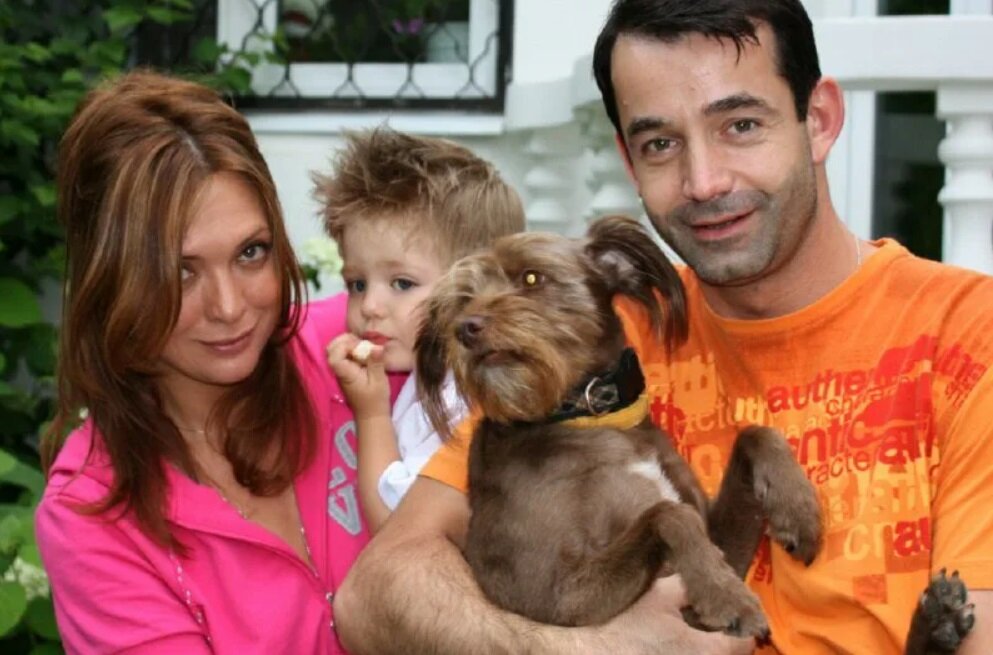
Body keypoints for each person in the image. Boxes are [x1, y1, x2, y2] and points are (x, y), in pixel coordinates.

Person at [332, 1, 993, 654]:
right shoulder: (590, 335)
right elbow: (373, 598)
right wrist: (596, 650)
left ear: (817, 120)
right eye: (660, 144)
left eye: (740, 125)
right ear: (629, 161)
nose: (703, 181)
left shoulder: (968, 336)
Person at [34, 70, 404, 653]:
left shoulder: (363, 349)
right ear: (111, 279)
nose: (230, 308)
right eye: (180, 271)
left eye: (250, 253)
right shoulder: (94, 517)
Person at [316, 128, 525, 533]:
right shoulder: (439, 375)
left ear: (479, 288)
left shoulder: (462, 399)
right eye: (357, 284)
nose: (369, 306)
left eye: (402, 283)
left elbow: (397, 528)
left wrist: (371, 413)